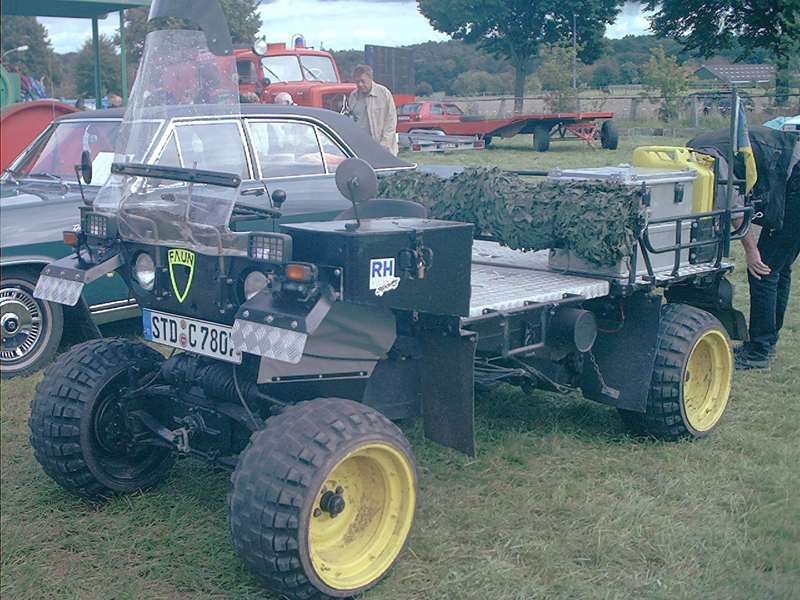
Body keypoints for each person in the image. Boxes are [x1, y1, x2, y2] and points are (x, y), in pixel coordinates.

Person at [690, 126, 799, 369]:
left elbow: (734, 209)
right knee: (778, 267)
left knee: (762, 269)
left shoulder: (706, 159)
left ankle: (759, 351)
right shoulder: (702, 148)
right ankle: (767, 341)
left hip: (795, 179)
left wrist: (751, 250)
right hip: (792, 169)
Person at [347, 64, 398, 155]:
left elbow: (391, 122)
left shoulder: (384, 93)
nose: (360, 84)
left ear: (370, 78)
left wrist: (382, 147)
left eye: (363, 81)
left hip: (385, 150)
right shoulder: (353, 97)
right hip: (362, 149)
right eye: (357, 82)